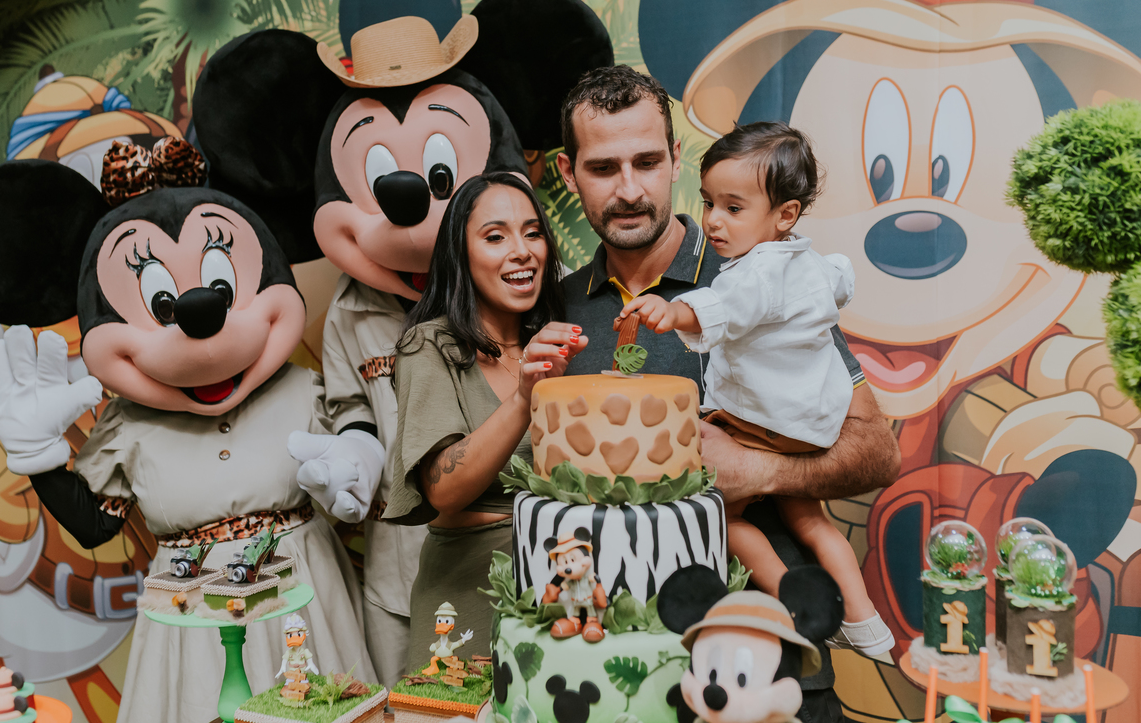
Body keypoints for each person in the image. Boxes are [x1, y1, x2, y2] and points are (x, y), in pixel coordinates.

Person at [556, 65, 900, 723]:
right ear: (570, 175)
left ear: (676, 159)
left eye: (648, 161)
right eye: (603, 168)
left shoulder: (762, 274)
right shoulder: (555, 310)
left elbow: (877, 452)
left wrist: (762, 470)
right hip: (611, 668)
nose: (630, 188)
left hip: (766, 669)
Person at [615, 121, 894, 657]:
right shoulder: (808, 261)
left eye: (734, 208)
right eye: (709, 203)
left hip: (760, 427)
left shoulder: (752, 273)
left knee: (723, 512)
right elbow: (841, 279)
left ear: (784, 215)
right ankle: (863, 621)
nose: (715, 221)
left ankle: (790, 596)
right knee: (809, 519)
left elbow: (723, 306)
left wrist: (673, 310)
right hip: (811, 427)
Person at [383, 172, 587, 667]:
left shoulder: (561, 341)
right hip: (467, 594)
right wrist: (523, 399)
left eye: (533, 232)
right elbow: (442, 491)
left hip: (562, 587)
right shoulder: (430, 346)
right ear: (461, 253)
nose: (522, 251)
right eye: (495, 237)